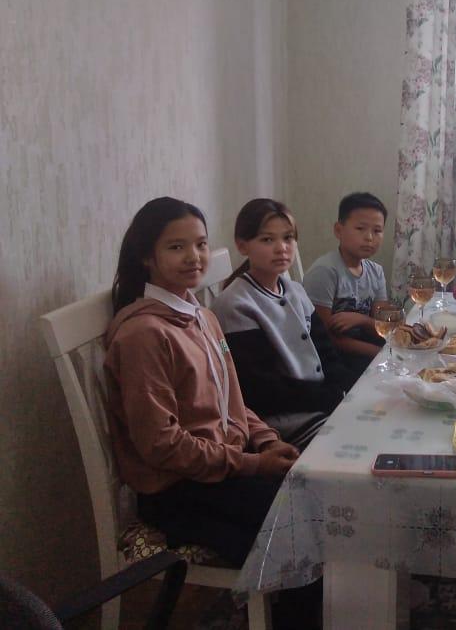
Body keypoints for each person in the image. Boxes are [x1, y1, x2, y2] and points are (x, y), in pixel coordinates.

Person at [104, 197, 299, 570]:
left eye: (201, 244)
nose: (193, 256)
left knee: (308, 494)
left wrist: (266, 439)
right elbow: (161, 445)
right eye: (176, 247)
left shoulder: (203, 318)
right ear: (146, 256)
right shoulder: (144, 335)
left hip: (223, 468)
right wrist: (252, 464)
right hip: (178, 490)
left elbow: (231, 399)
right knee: (296, 519)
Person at [211, 199, 356, 446]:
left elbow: (326, 351)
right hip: (279, 420)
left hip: (317, 403)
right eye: (267, 240)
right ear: (242, 245)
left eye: (288, 238)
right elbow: (263, 390)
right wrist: (328, 397)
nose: (282, 248)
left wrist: (343, 388)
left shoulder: (295, 290)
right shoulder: (236, 305)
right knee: (355, 441)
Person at [303, 192, 388, 369]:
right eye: (360, 228)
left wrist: (362, 320)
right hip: (331, 358)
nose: (369, 237)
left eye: (377, 231)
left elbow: (382, 327)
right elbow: (325, 338)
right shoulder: (324, 272)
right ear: (338, 230)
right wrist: (380, 354)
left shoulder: (376, 271)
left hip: (363, 348)